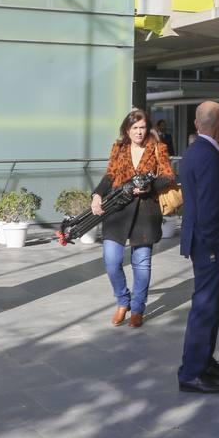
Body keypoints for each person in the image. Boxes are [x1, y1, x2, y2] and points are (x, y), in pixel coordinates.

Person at [177, 101, 219, 394]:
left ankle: (204, 362)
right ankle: (192, 372)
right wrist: (214, 244)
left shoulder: (199, 150)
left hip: (206, 242)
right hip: (208, 244)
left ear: (196, 123)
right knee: (204, 307)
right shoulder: (205, 154)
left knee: (210, 305)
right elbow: (206, 206)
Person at [91, 109, 175, 329]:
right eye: (135, 128)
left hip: (146, 212)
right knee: (111, 261)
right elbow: (110, 174)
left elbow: (168, 176)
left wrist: (149, 187)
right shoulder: (119, 148)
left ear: (148, 128)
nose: (139, 132)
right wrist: (97, 194)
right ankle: (122, 300)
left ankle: (137, 308)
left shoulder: (158, 147)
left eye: (142, 127)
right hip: (117, 211)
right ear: (127, 130)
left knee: (142, 263)